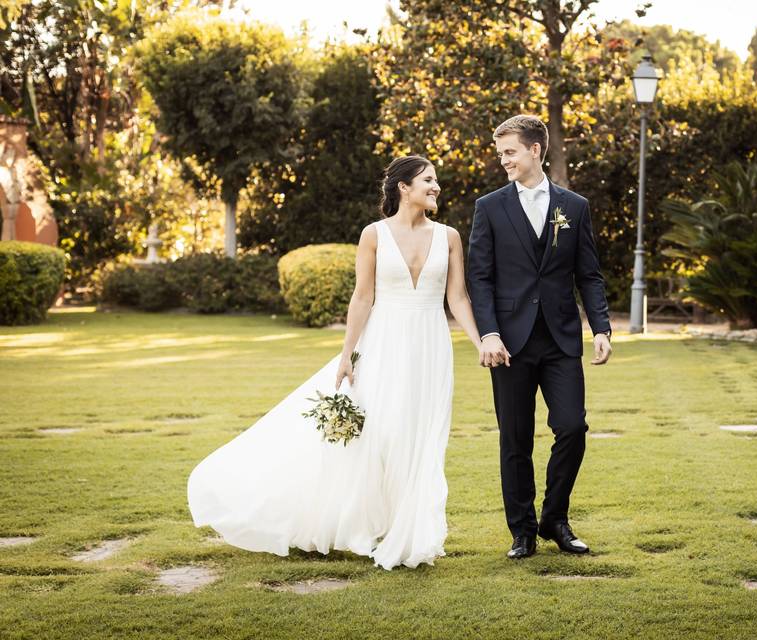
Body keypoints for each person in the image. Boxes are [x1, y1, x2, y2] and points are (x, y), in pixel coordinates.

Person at [187, 156, 484, 570]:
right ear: (404, 187)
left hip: (431, 348)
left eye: (435, 181)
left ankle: (412, 532)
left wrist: (480, 342)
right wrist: (346, 355)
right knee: (382, 434)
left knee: (424, 437)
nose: (436, 187)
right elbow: (362, 297)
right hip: (383, 344)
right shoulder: (374, 235)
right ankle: (372, 526)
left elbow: (458, 299)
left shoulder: (449, 236)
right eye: (429, 180)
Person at [467, 115, 613, 560]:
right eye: (500, 153)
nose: (503, 160)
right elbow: (480, 277)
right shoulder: (489, 207)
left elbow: (588, 273)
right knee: (515, 438)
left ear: (535, 150)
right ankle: (523, 531)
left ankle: (555, 518)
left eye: (509, 152)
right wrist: (488, 333)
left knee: (572, 427)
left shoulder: (575, 205)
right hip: (508, 343)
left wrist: (601, 326)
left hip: (560, 339)